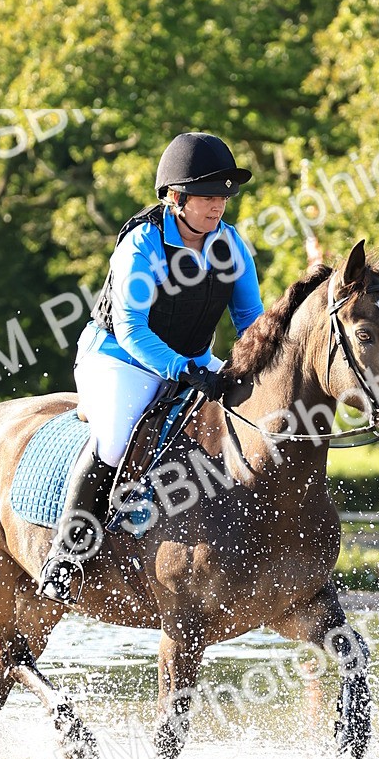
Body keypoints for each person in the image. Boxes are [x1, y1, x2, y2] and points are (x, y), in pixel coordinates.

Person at [39, 132, 264, 604]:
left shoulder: (231, 244)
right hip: (118, 358)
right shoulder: (142, 244)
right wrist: (184, 369)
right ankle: (66, 552)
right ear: (176, 198)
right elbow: (131, 328)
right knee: (117, 438)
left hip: (193, 360)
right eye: (207, 196)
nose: (218, 205)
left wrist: (255, 368)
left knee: (248, 420)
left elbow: (250, 320)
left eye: (223, 195)